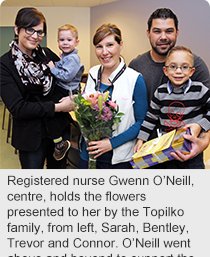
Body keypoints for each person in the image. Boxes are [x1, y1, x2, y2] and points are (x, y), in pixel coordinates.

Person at [129, 8, 210, 160]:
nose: (163, 37)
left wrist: (203, 142)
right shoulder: (136, 66)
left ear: (177, 32)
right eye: (157, 31)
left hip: (187, 151)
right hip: (150, 152)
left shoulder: (196, 65)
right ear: (148, 33)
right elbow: (142, 114)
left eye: (169, 31)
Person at [0, 7, 74, 169]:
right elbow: (18, 108)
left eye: (40, 32)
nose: (35, 36)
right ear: (17, 29)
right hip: (31, 137)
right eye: (29, 29)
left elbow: (65, 80)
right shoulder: (4, 65)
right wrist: (58, 106)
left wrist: (72, 95)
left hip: (59, 130)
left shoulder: (46, 54)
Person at [79, 23, 148, 169]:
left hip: (117, 159)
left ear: (120, 45)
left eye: (110, 45)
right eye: (99, 46)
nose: (104, 52)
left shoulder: (134, 79)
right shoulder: (92, 73)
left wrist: (111, 143)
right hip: (88, 154)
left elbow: (142, 122)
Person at [134, 46, 210, 169]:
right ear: (165, 71)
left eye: (184, 67)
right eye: (173, 66)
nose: (178, 71)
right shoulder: (160, 92)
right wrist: (141, 140)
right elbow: (151, 117)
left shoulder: (200, 90)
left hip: (191, 151)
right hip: (166, 151)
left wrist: (201, 125)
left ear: (192, 71)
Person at [46, 24, 84, 161]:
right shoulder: (66, 56)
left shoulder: (73, 58)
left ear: (76, 42)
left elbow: (66, 76)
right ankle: (65, 124)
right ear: (58, 42)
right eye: (62, 40)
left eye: (69, 40)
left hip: (65, 89)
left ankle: (59, 143)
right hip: (63, 88)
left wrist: (52, 68)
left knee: (48, 112)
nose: (65, 43)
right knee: (53, 112)